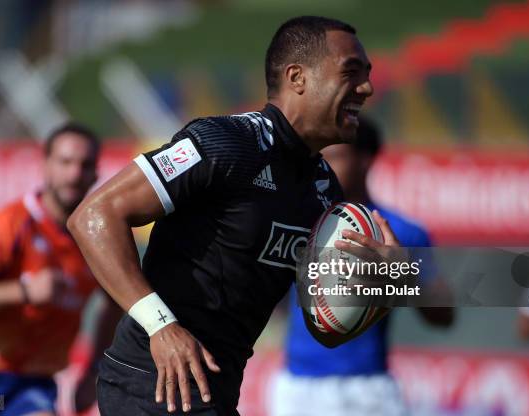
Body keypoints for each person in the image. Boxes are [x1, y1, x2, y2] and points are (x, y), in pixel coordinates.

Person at [68, 16, 402, 416]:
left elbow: (324, 325)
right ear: (297, 77)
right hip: (153, 384)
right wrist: (161, 326)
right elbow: (93, 215)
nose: (366, 89)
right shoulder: (226, 143)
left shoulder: (323, 188)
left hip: (215, 393)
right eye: (351, 73)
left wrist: (388, 286)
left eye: (367, 75)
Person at [0, 123, 123, 416]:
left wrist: (93, 371)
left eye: (84, 165)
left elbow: (115, 303)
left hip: (32, 386)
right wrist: (23, 290)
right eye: (65, 162)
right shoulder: (10, 225)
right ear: (46, 166)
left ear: (96, 173)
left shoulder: (97, 237)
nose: (74, 174)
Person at [271, 117, 454, 416]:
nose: (325, 166)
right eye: (322, 157)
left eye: (337, 156)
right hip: (296, 387)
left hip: (367, 390)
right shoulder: (300, 223)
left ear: (365, 160)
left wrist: (402, 276)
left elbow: (444, 316)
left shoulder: (400, 232)